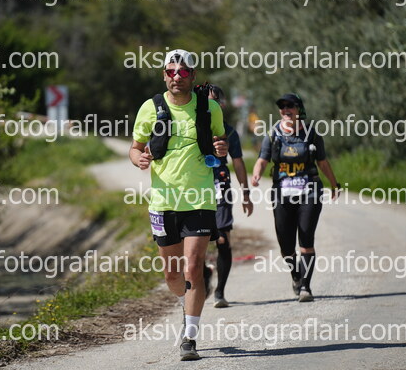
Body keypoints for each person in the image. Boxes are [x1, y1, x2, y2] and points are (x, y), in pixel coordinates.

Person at [129, 49, 228, 360]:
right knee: (173, 276)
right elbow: (135, 147)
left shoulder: (210, 107)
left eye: (183, 72)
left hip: (200, 199)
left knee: (193, 266)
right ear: (164, 76)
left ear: (193, 76)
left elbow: (220, 142)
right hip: (163, 203)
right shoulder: (150, 108)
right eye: (171, 71)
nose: (177, 77)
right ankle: (190, 296)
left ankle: (190, 337)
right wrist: (139, 159)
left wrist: (221, 148)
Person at [251, 93, 339, 302]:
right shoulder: (273, 135)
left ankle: (306, 287)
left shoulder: (311, 134)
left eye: (290, 106)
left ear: (299, 109)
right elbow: (262, 160)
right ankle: (296, 275)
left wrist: (334, 184)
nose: (286, 110)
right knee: (286, 246)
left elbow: (322, 162)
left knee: (306, 238)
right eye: (282, 106)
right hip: (282, 194)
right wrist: (256, 174)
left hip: (309, 191)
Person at [204, 84, 253, 308]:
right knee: (195, 240)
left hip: (219, 184)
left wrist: (246, 194)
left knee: (222, 239)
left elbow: (238, 162)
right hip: (194, 188)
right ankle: (203, 274)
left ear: (221, 106)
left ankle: (220, 292)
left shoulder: (230, 132)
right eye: (205, 102)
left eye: (214, 102)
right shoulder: (190, 127)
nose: (209, 106)